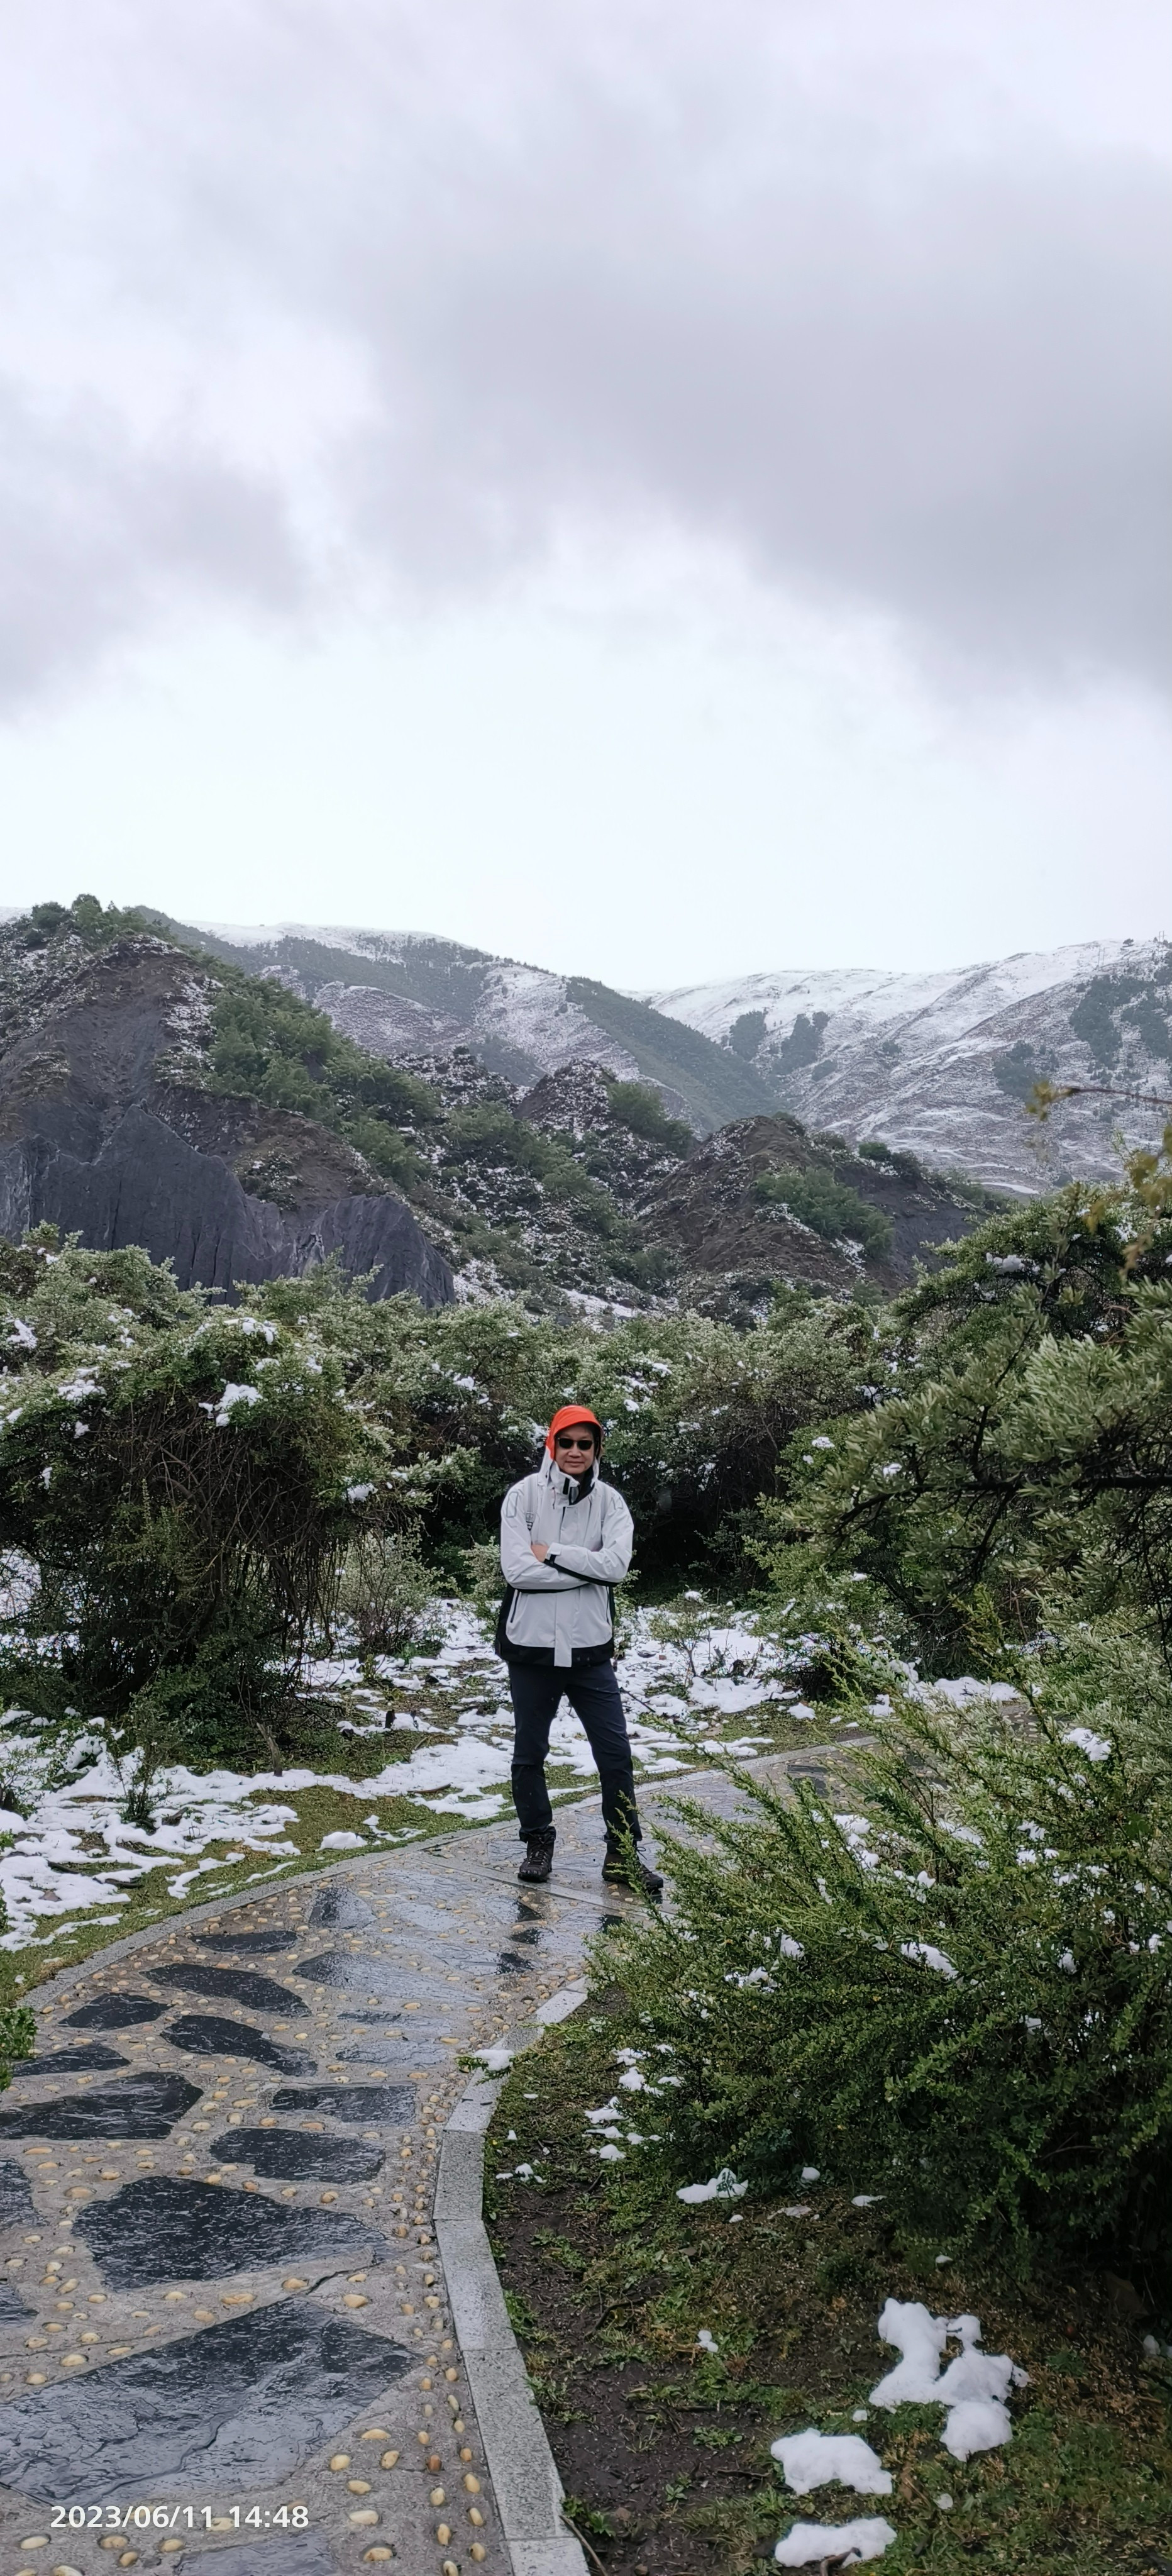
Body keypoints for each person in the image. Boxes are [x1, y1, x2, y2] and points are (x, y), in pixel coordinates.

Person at [497, 1404, 663, 1892]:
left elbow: (615, 1568)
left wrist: (552, 1553)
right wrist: (584, 1569)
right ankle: (537, 1841)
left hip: (591, 1650)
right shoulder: (523, 1498)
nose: (574, 1452)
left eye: (584, 1444)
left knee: (615, 1755)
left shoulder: (611, 1503)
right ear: (552, 1444)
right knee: (530, 1751)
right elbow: (517, 1572)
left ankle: (621, 1853)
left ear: (597, 1450)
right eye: (565, 1442)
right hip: (531, 1649)